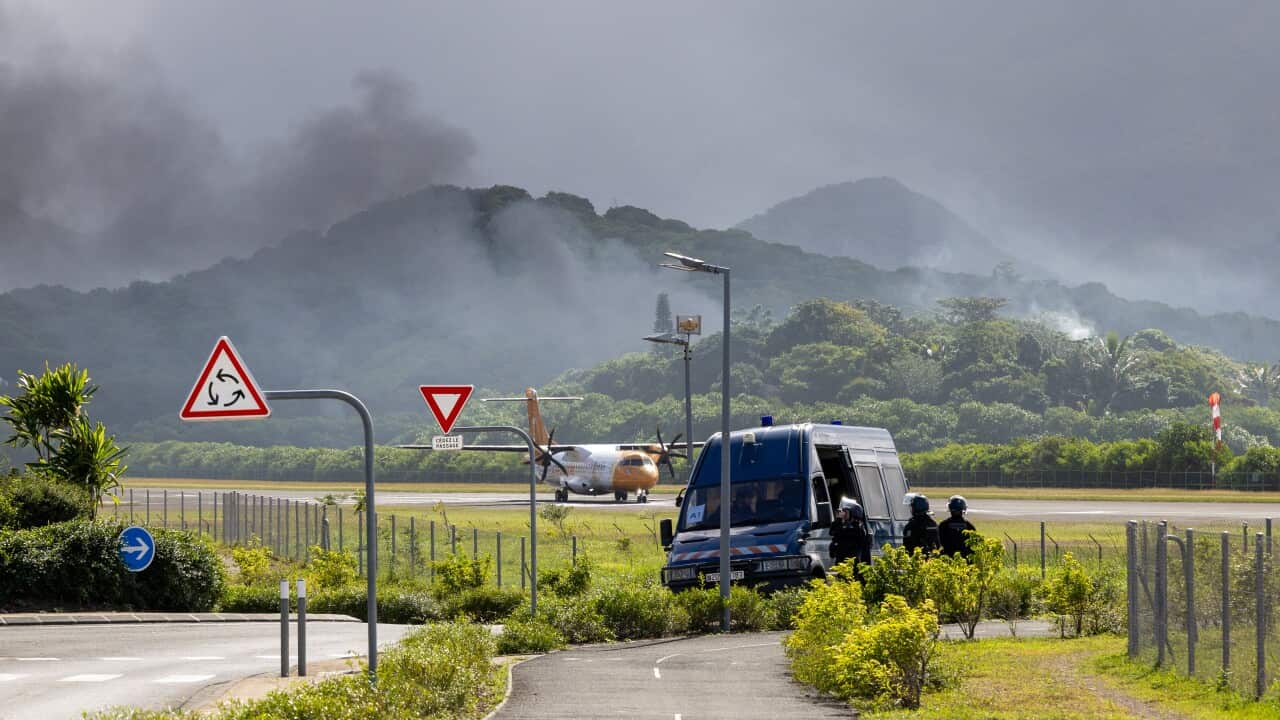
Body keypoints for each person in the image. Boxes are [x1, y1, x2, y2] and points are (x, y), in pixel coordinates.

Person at [830, 497, 871, 571]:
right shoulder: (846, 527)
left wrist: (839, 520)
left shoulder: (858, 529)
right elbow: (832, 532)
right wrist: (838, 520)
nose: (843, 514)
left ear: (854, 513)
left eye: (846, 512)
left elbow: (841, 533)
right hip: (843, 565)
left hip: (853, 567)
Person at [938, 494, 977, 559]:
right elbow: (975, 545)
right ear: (963, 509)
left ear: (950, 508)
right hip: (966, 560)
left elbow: (938, 543)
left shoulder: (943, 525)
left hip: (948, 558)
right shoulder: (969, 526)